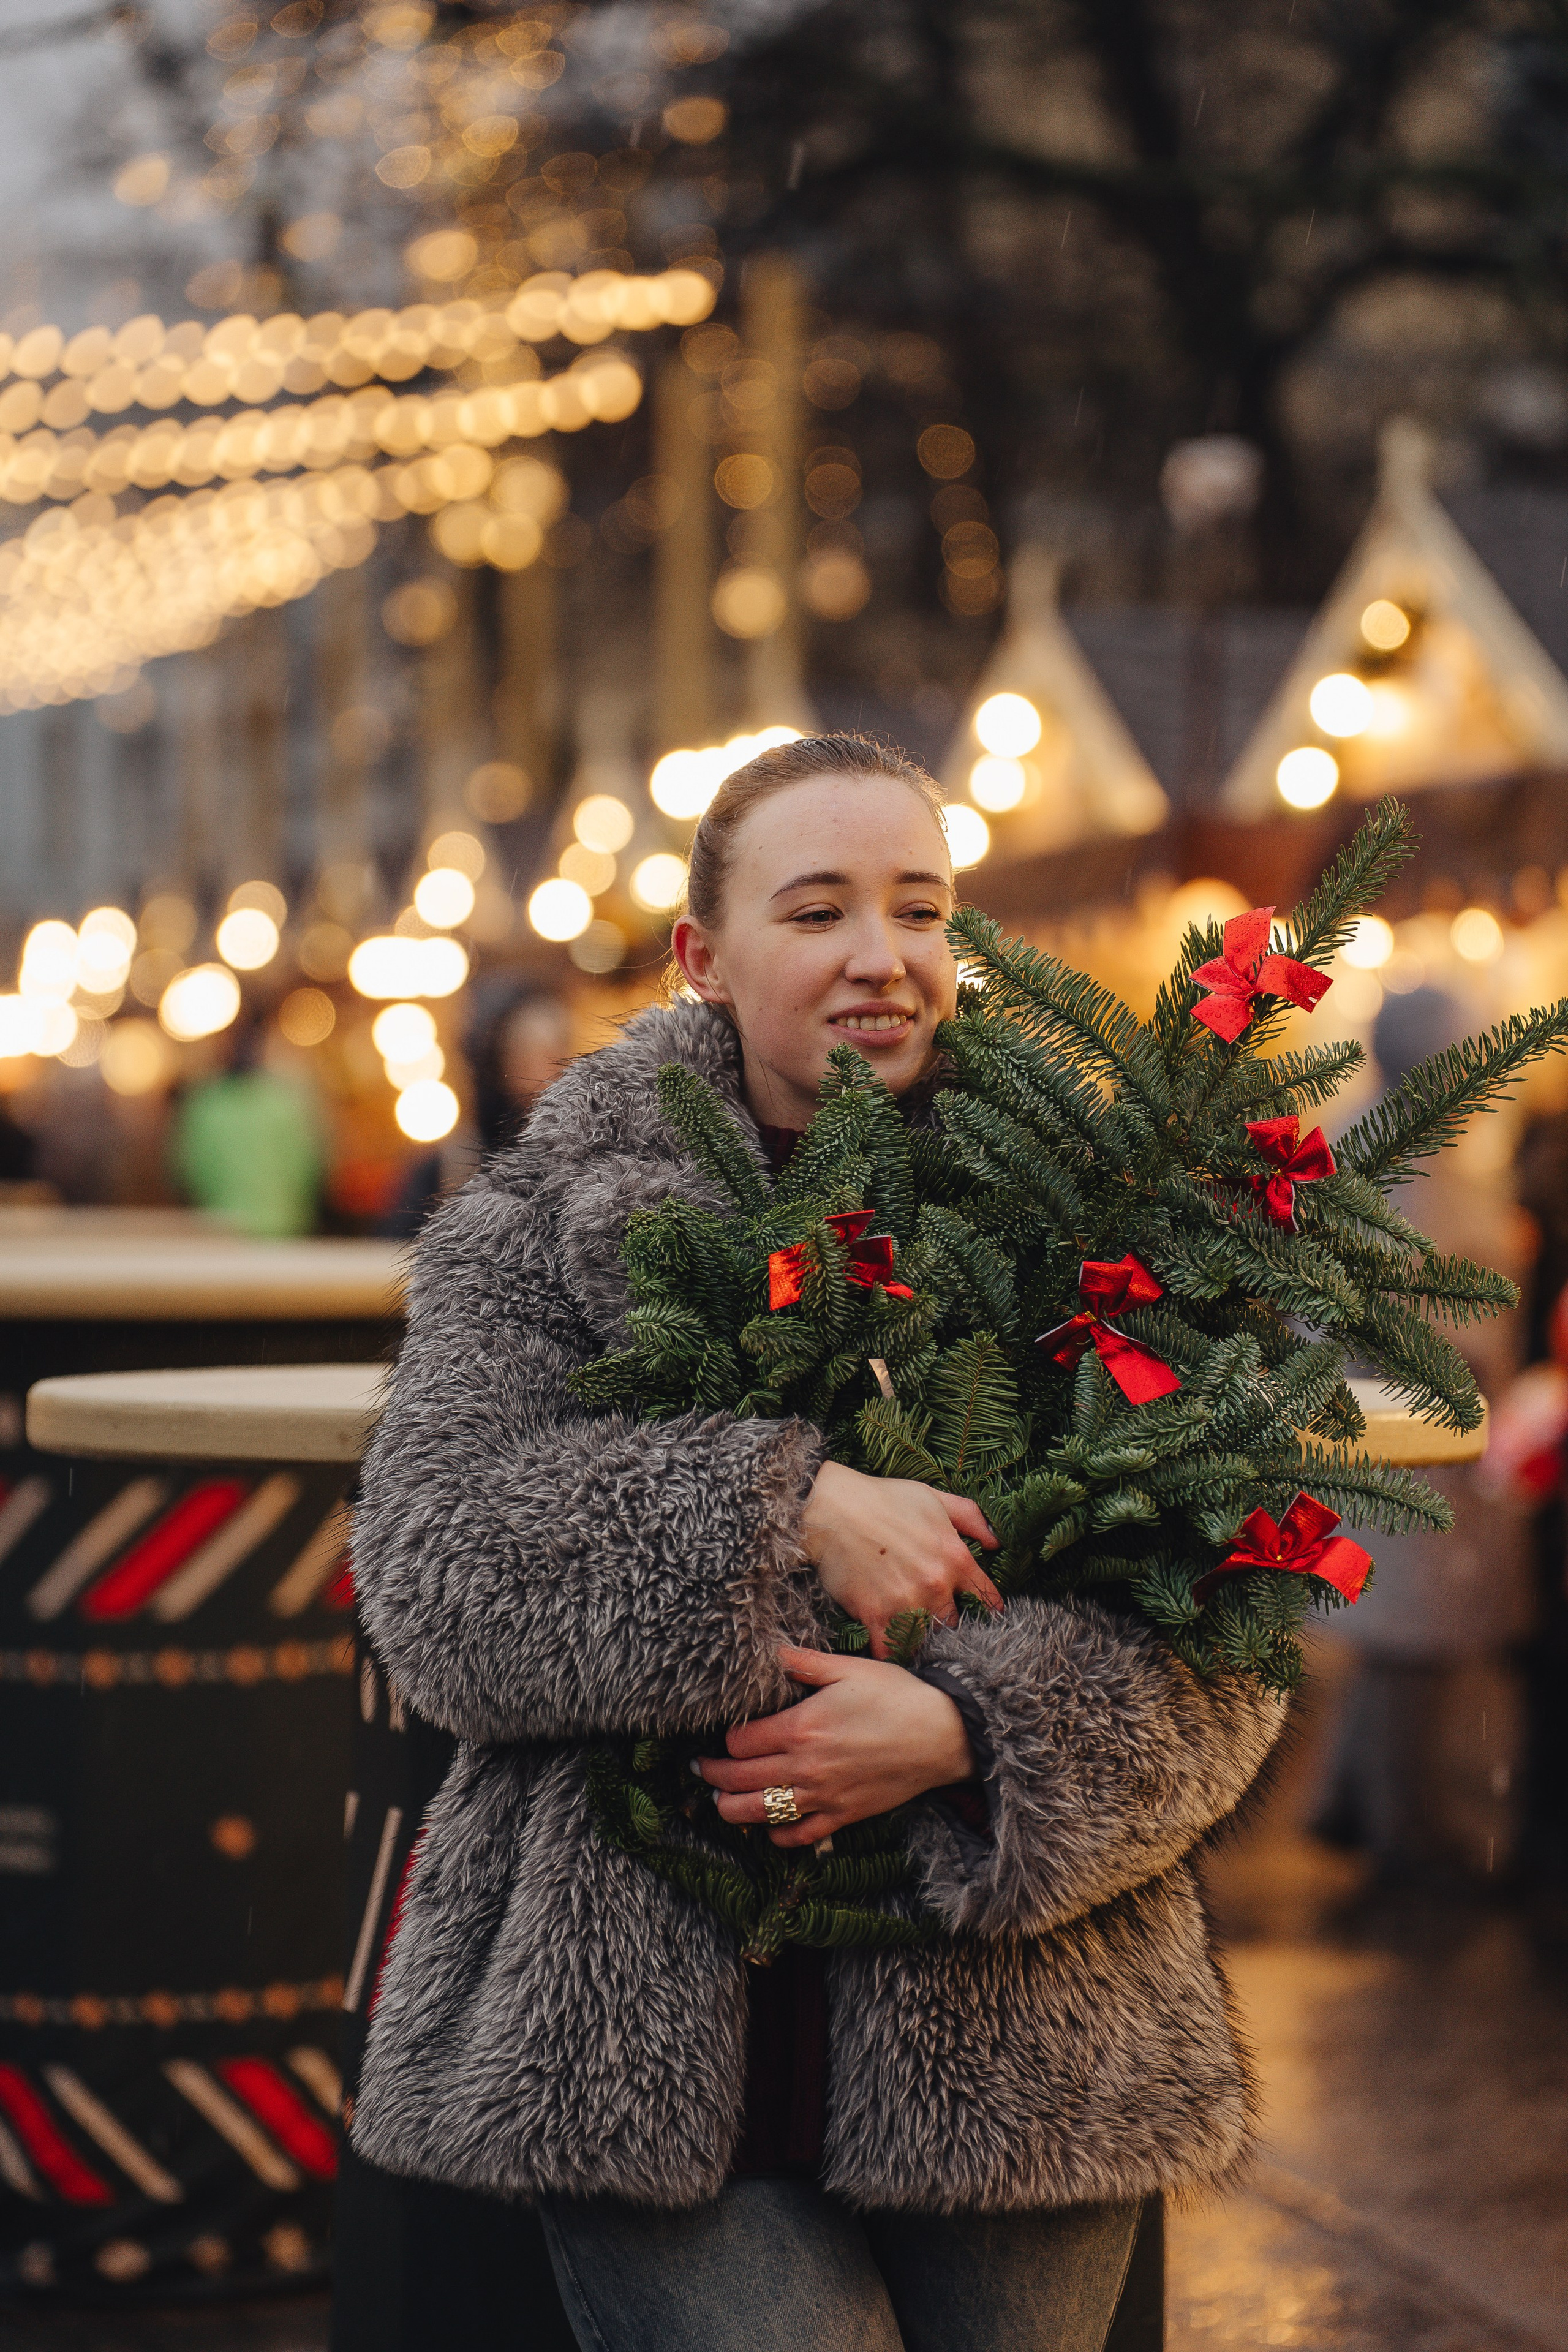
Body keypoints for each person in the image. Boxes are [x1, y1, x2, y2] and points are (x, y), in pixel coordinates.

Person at [350, 734, 1286, 2352]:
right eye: (817, 910)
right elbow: (433, 1571)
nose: (881, 956)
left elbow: (1229, 1629)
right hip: (638, 2024)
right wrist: (779, 1509)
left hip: (1023, 2037)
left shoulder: (1092, 1233)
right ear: (702, 959)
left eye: (919, 909)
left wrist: (971, 1733)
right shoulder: (536, 1230)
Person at [169, 1011, 323, 1236]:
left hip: (222, 1228)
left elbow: (185, 1170)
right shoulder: (286, 1101)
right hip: (283, 1226)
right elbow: (310, 1165)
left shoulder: (204, 1105)